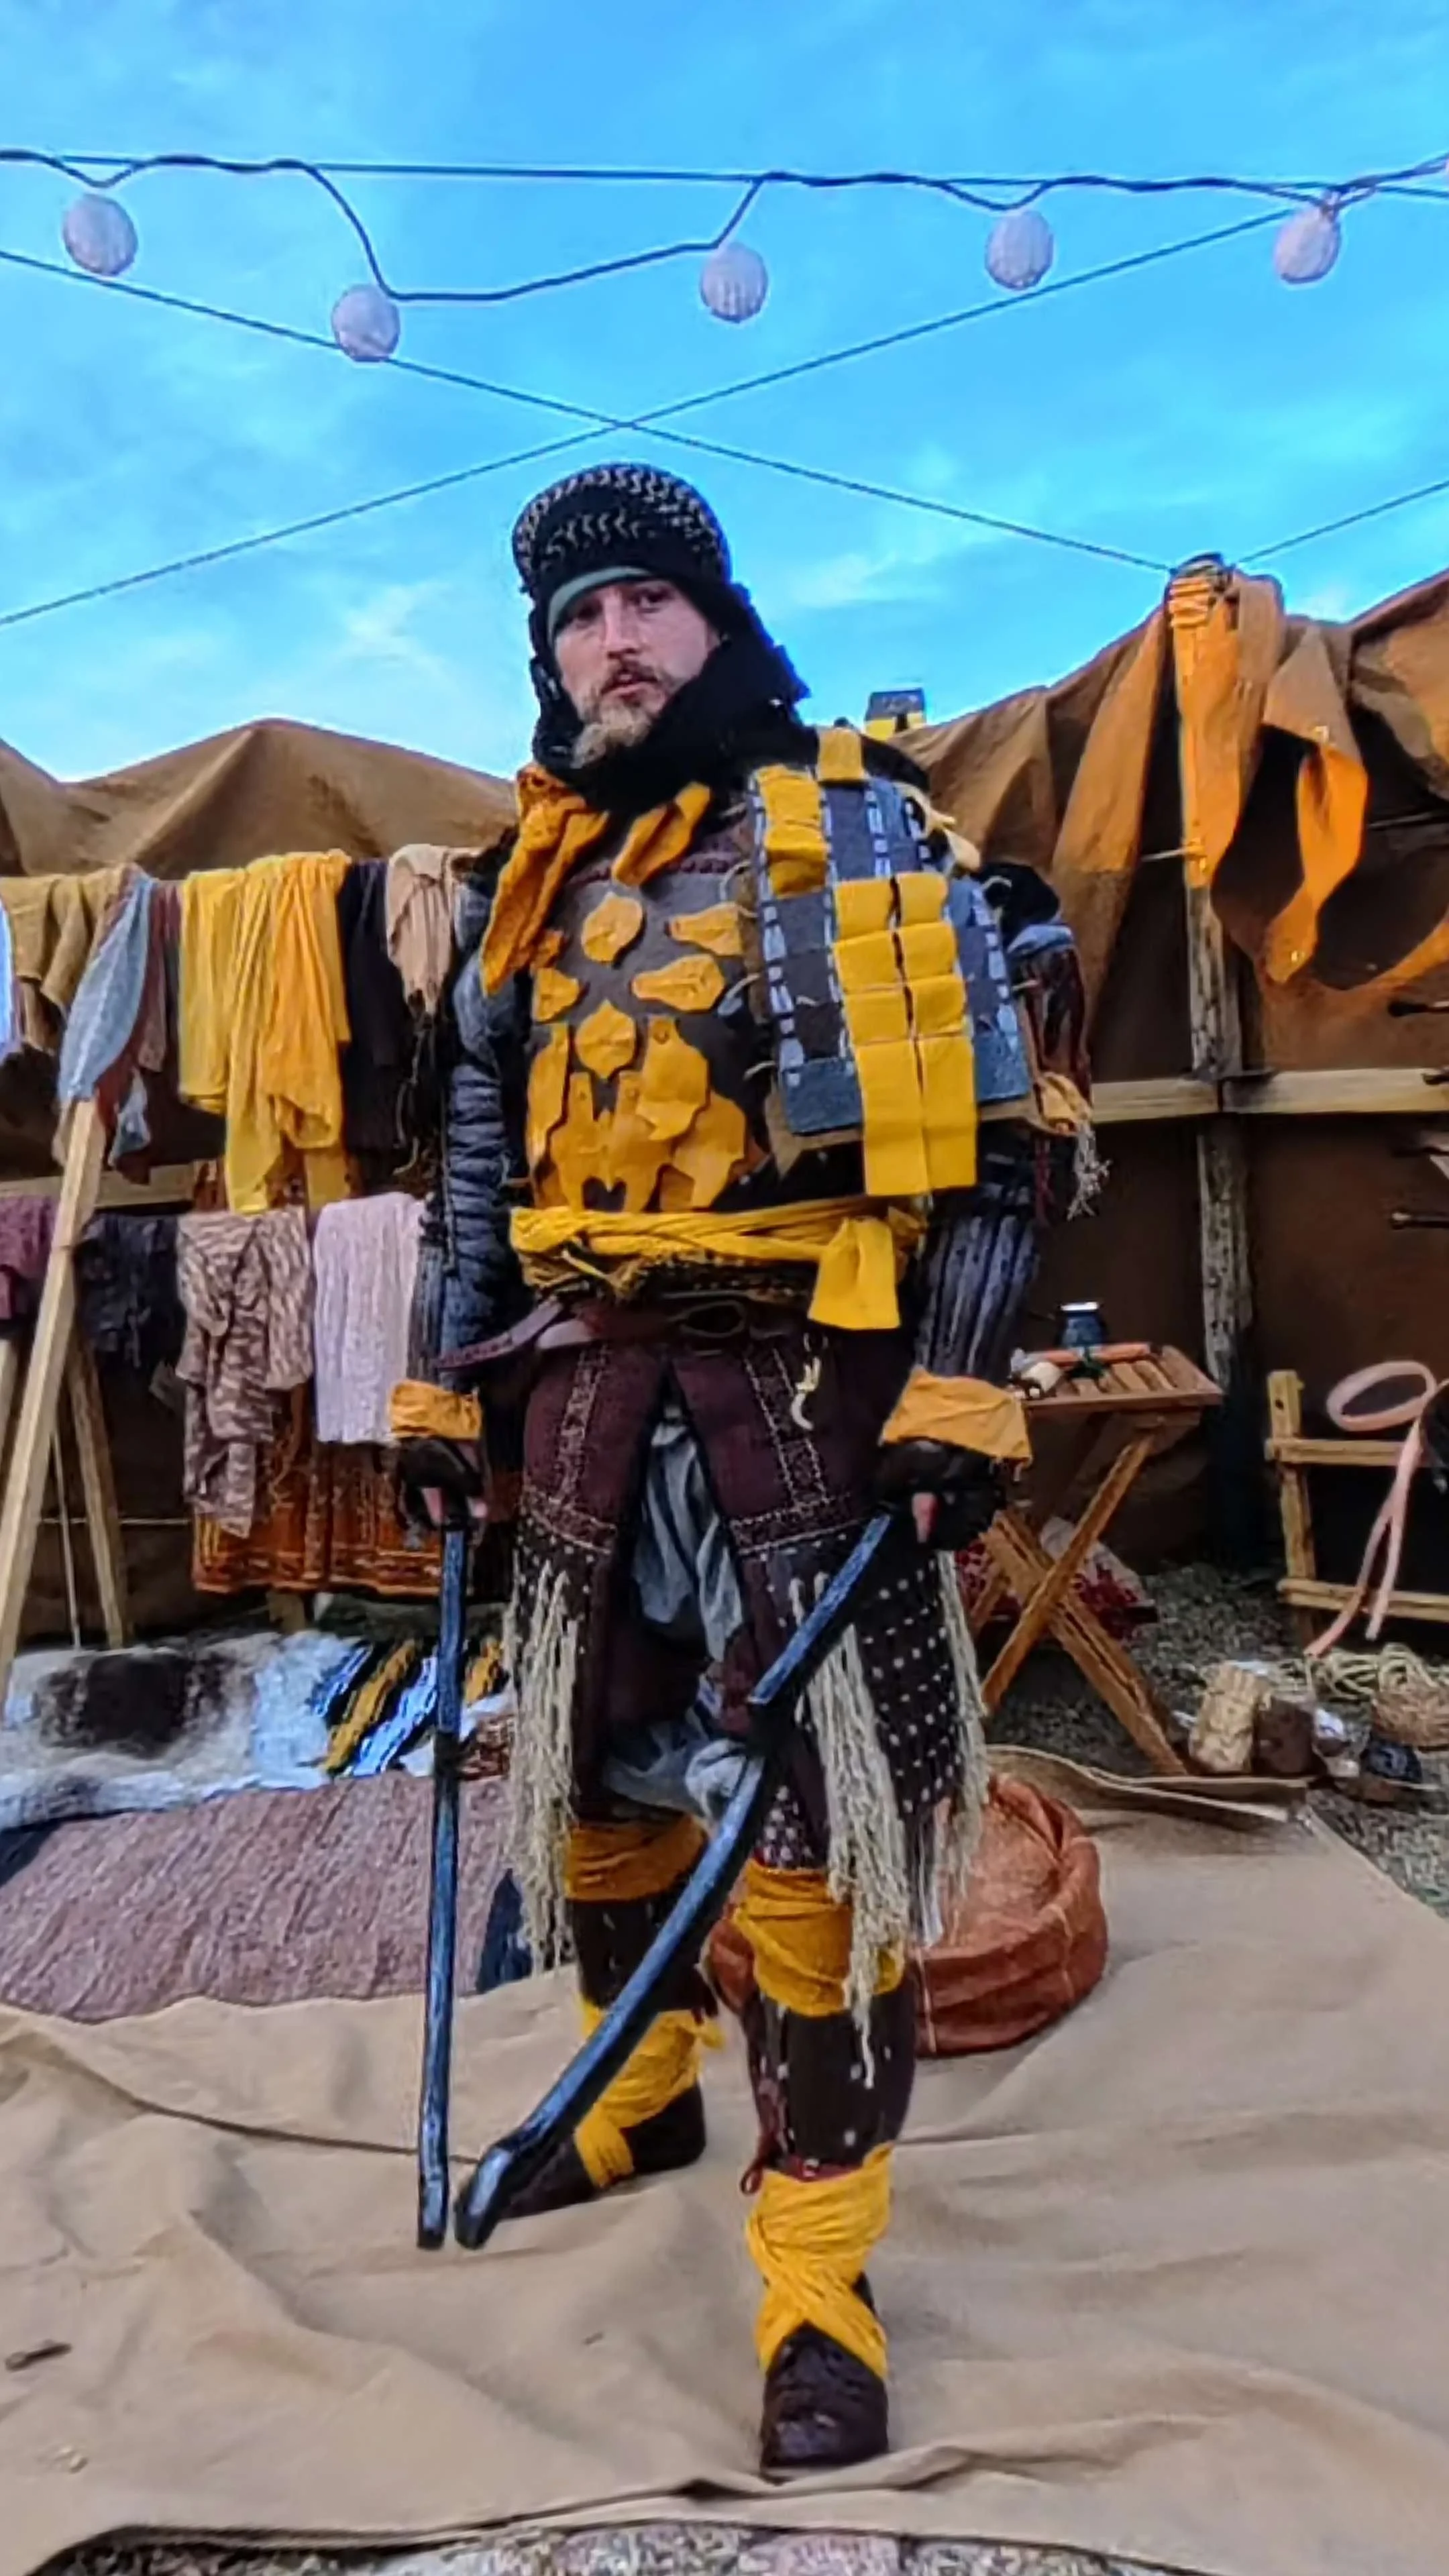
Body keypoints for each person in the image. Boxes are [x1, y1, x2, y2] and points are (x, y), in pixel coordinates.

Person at [397, 462, 1091, 2474]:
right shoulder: (527, 882)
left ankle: (818, 2276)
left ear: (716, 626)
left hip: (805, 1404)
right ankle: (636, 2094)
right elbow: (471, 1168)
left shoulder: (849, 834)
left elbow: (994, 1146)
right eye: (572, 623)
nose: (608, 647)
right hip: (590, 1399)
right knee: (596, 1781)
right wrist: (448, 1390)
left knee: (812, 1834)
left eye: (643, 608)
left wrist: (963, 1388)